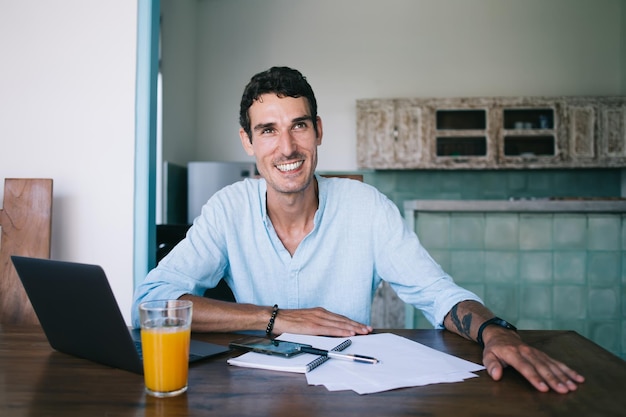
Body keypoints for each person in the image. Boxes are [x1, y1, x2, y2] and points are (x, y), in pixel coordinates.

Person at [132, 66, 584, 394]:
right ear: (248, 141)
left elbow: (436, 292)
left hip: (349, 392)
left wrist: (496, 331)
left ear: (318, 131)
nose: (287, 147)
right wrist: (274, 318)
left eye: (299, 126)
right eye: (268, 130)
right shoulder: (227, 208)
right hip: (254, 393)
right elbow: (150, 303)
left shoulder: (367, 208)